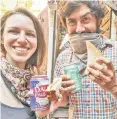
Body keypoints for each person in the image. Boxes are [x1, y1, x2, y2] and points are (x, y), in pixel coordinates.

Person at [53, 0, 117, 118]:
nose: (79, 29)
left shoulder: (115, 51)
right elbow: (63, 102)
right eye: (72, 22)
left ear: (98, 20)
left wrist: (113, 87)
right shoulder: (62, 58)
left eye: (85, 19)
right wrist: (61, 94)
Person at [0, 7, 47, 119]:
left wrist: (43, 114)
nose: (22, 39)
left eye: (30, 34)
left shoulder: (38, 83)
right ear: (1, 37)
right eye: (13, 31)